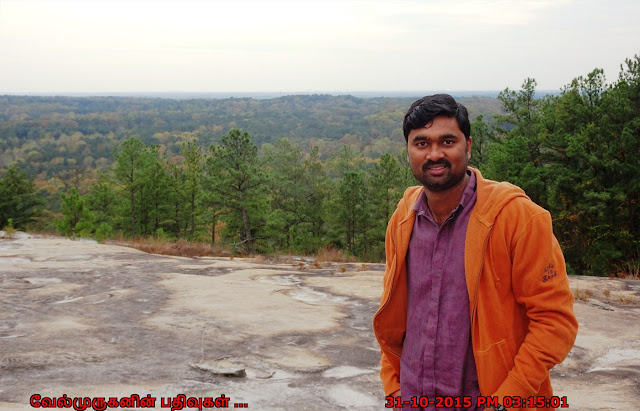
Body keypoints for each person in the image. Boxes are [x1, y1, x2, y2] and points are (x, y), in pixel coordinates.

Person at [372, 94, 578, 410]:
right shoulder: (404, 219)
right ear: (408, 150)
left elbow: (555, 322)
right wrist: (394, 390)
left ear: (467, 146)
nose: (435, 154)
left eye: (448, 141)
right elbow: (397, 317)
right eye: (422, 143)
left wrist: (507, 399)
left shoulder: (516, 218)